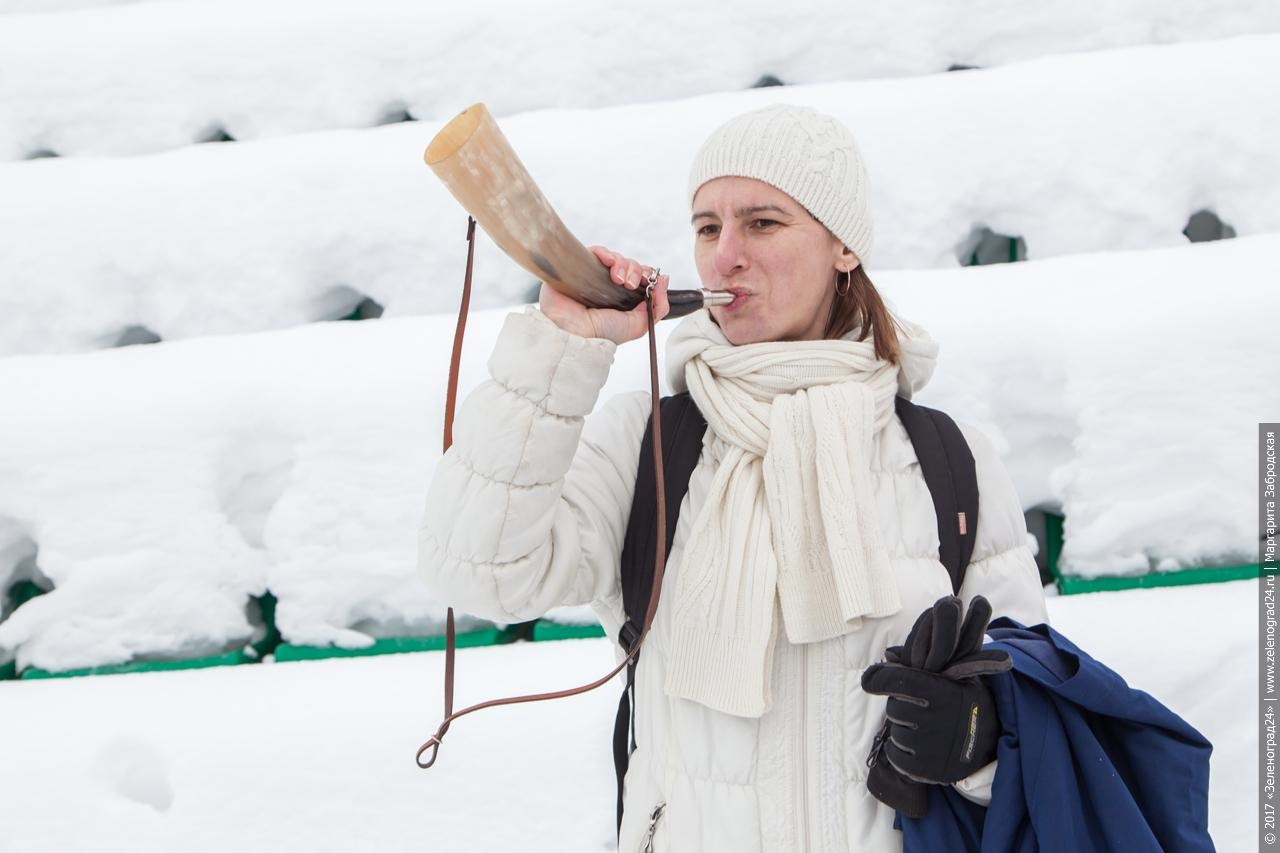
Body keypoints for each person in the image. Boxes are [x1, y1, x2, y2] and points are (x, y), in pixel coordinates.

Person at [417, 103, 1048, 852]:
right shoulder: (650, 439)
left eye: (763, 223)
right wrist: (563, 346)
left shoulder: (951, 460)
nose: (724, 257)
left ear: (844, 245)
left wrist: (974, 741)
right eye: (707, 227)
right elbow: (478, 571)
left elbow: (1034, 716)